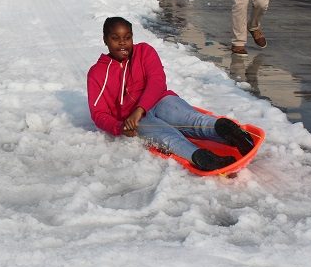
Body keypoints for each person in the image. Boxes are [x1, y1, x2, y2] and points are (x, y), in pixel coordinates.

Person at [87, 17, 255, 171]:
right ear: (105, 40)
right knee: (166, 135)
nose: (123, 43)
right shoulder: (97, 74)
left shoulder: (144, 52)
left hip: (160, 101)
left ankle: (228, 132)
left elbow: (157, 81)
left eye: (127, 37)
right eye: (115, 38)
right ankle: (203, 158)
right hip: (135, 119)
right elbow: (99, 113)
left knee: (189, 120)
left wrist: (140, 108)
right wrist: (120, 127)